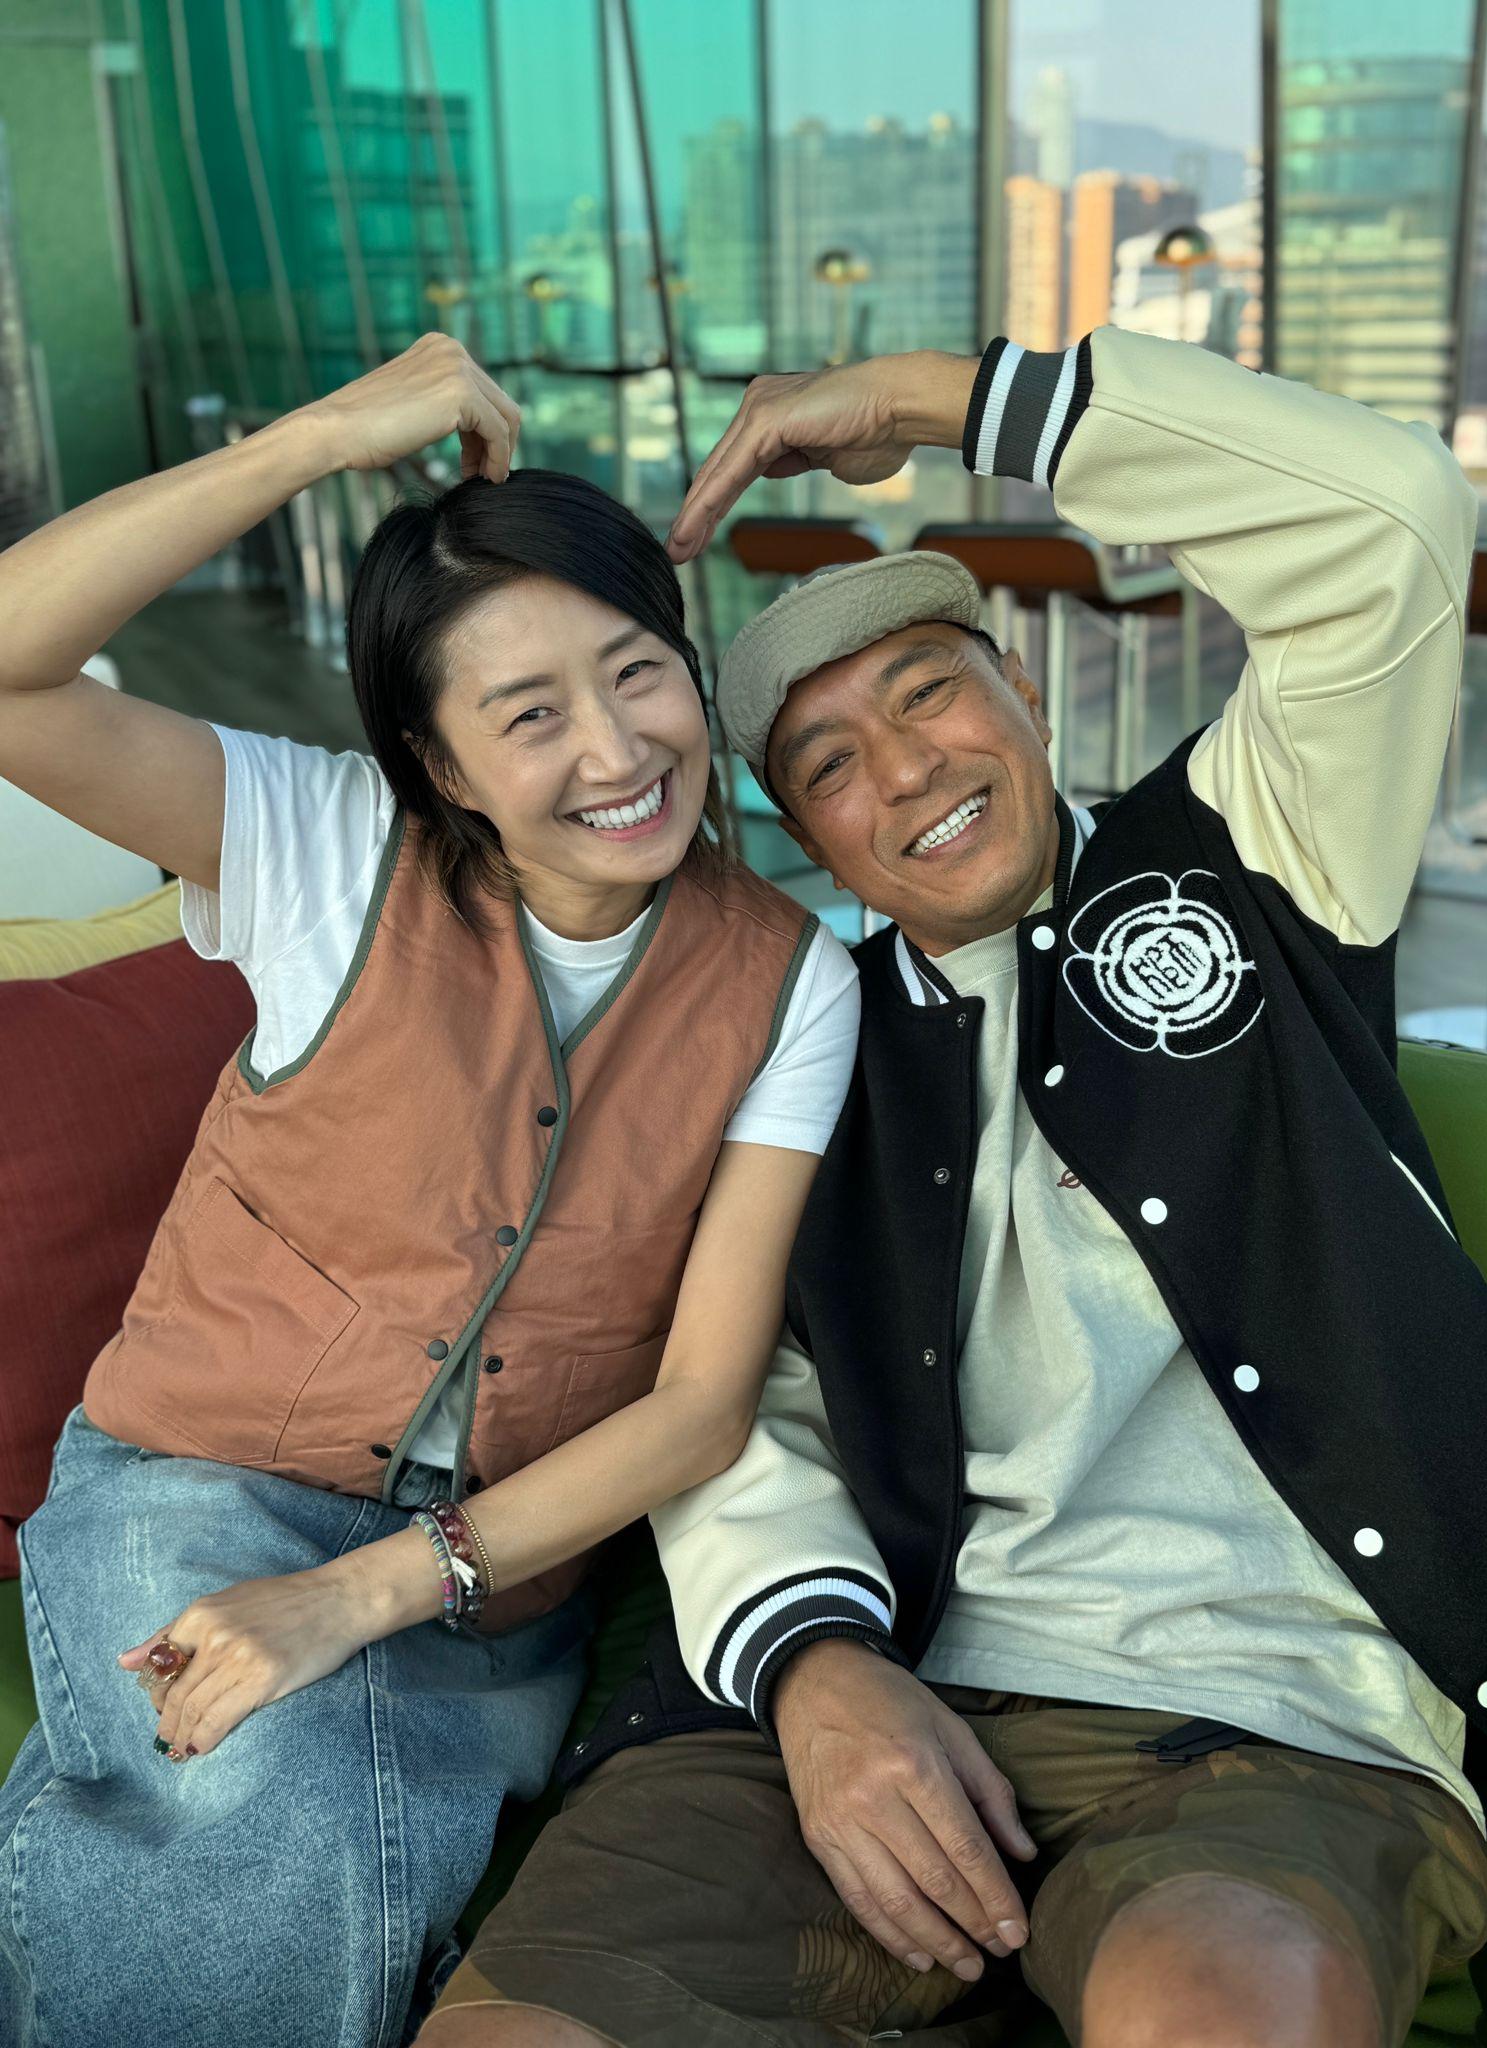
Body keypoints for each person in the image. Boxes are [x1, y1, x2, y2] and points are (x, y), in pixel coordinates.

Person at [417, 325, 1487, 2048]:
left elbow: (1389, 519)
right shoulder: (801, 1041)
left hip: (1264, 1715)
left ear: (1023, 684)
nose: (906, 771)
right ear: (808, 840)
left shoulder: (1259, 854)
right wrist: (813, 1669)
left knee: (1227, 2007)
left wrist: (933, 402)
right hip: (870, 1696)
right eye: (828, 768)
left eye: (929, 692)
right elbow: (735, 1402)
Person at [0, 332, 859, 2048]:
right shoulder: (321, 848)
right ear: (444, 765)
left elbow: (700, 1404)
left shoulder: (790, 981)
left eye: (640, 673)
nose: (617, 748)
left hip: (490, 1578)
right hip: (195, 1486)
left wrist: (371, 1590)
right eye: (530, 714)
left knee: (328, 1829)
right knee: (280, 1802)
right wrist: (310, 440)